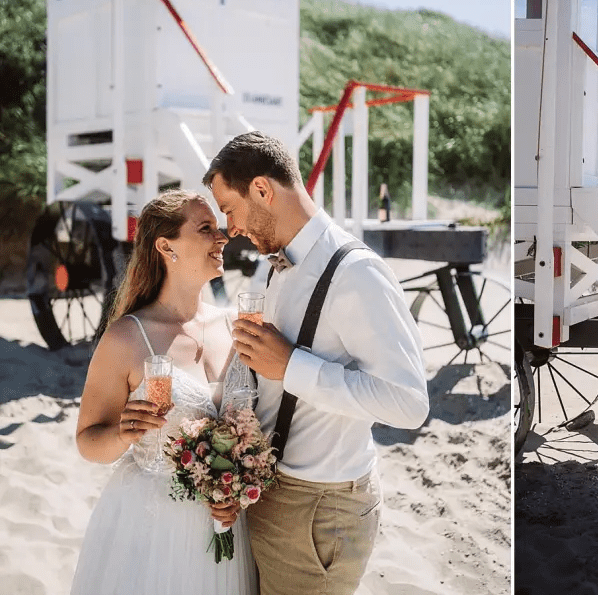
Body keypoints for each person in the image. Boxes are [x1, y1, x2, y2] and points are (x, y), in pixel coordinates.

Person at [203, 131, 429, 595]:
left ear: (262, 190)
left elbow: (409, 404)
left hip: (320, 510)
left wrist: (292, 367)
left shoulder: (356, 274)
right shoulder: (272, 264)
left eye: (230, 208)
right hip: (268, 493)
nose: (230, 228)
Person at [72, 190, 258, 594]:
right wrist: (123, 433)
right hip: (152, 527)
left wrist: (236, 489)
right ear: (165, 245)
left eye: (219, 227)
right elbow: (88, 441)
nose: (222, 237)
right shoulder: (126, 337)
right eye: (206, 228)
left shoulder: (234, 326)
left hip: (225, 524)